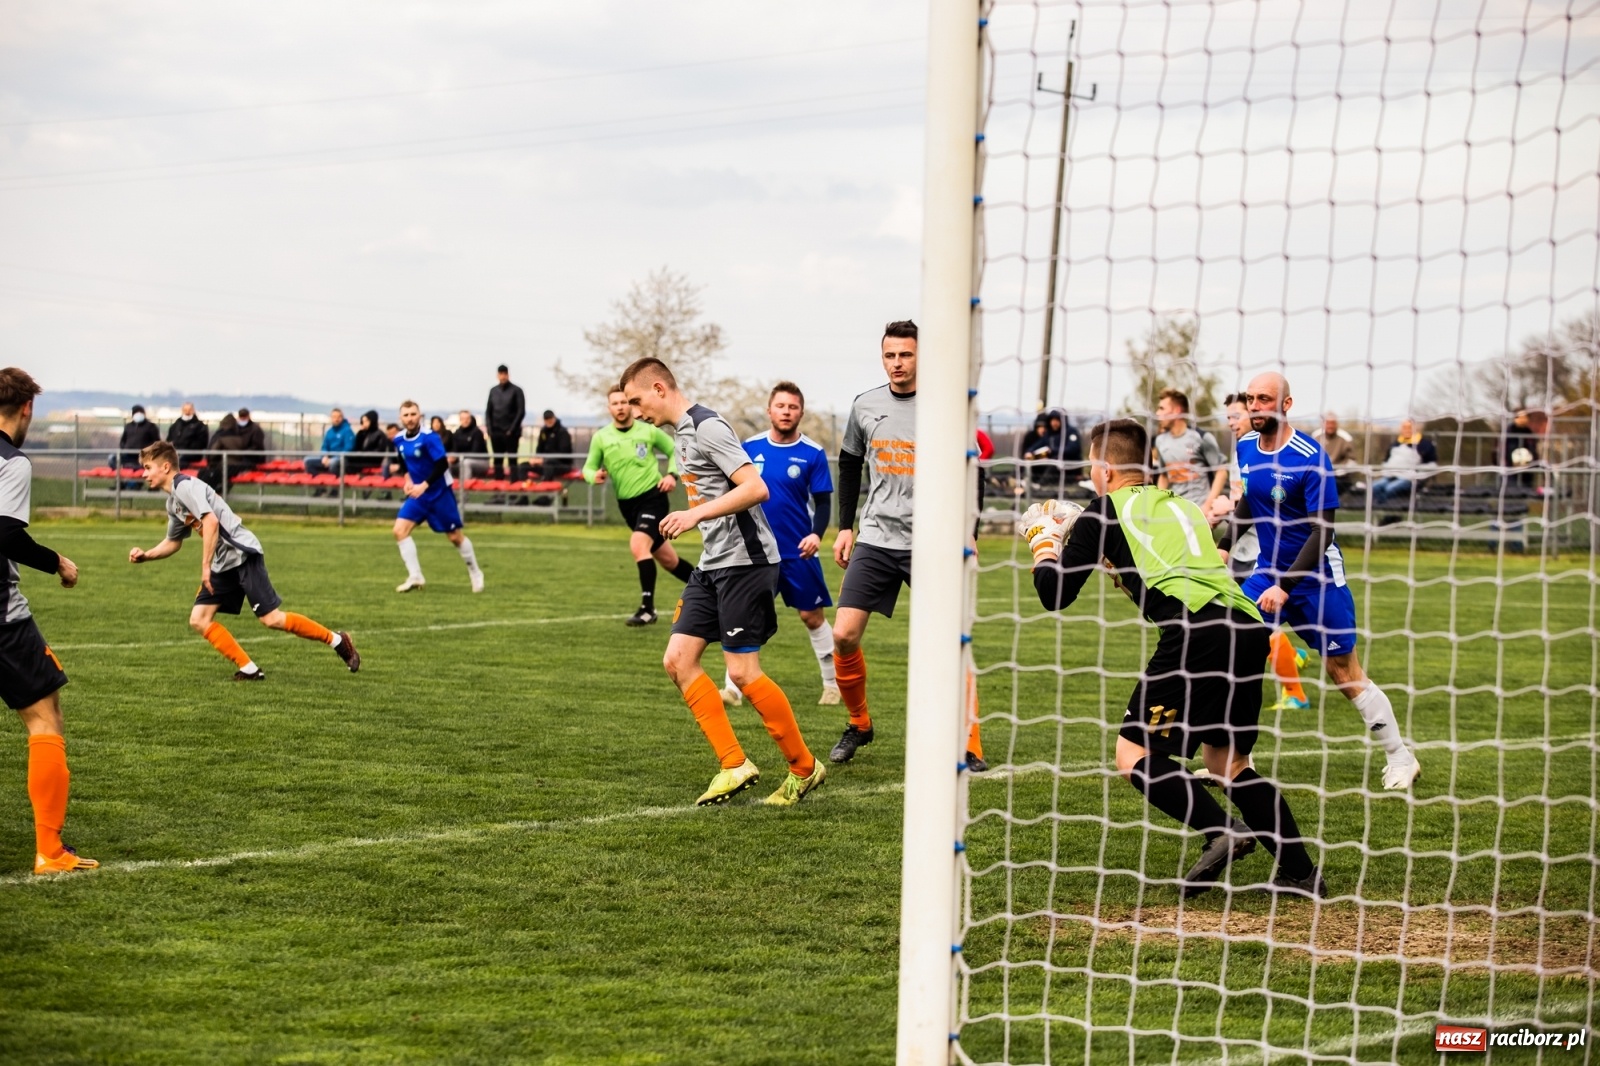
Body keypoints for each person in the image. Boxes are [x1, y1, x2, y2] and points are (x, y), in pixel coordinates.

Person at [1021, 418, 1325, 897]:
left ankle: (1222, 832)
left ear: (1103, 467)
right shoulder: (1180, 506)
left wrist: (1044, 545)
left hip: (1195, 632)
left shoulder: (1102, 513)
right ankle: (1301, 873)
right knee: (1228, 763)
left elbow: (1054, 594)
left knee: (1134, 754)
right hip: (1245, 627)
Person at [620, 357, 825, 807]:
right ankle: (733, 764)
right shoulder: (681, 436)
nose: (634, 412)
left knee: (742, 673)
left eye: (636, 401)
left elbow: (755, 488)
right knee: (677, 660)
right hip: (714, 564)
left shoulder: (708, 426)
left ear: (658, 388)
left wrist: (693, 514)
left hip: (747, 563)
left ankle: (805, 769)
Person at [1220, 372, 1421, 790]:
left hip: (1317, 577)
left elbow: (1322, 531)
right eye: (1250, 399)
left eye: (1264, 399)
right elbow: (1248, 507)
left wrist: (1287, 586)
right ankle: (1236, 764)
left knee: (1343, 670)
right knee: (1235, 655)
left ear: (1286, 405)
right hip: (1266, 574)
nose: (1255, 406)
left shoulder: (1310, 455)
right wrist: (1225, 545)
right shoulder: (1244, 448)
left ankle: (1400, 757)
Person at [828, 320, 985, 770]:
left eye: (906, 355)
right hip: (876, 537)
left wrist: (969, 528)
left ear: (922, 358)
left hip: (931, 541)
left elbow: (972, 468)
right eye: (890, 355)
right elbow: (850, 465)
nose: (897, 363)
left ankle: (969, 744)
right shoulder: (865, 405)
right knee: (843, 634)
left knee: (952, 641)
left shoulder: (947, 404)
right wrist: (844, 527)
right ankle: (859, 723)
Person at [129, 442, 359, 680]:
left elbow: (211, 523)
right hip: (223, 562)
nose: (143, 474)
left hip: (242, 554)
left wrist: (205, 567)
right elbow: (173, 541)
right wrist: (146, 555)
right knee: (199, 619)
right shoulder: (173, 502)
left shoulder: (185, 485)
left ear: (165, 467)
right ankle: (249, 669)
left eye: (147, 467)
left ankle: (338, 640)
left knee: (272, 619)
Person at [0, 368, 96, 875]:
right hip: (2, 617)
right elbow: (7, 536)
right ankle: (50, 852)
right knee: (44, 718)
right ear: (28, 409)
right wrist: (57, 560)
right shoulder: (12, 462)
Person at [718, 382, 841, 707]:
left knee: (811, 616)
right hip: (756, 551)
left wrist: (816, 534)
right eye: (781, 406)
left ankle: (832, 684)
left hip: (797, 550)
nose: (786, 412)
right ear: (770, 410)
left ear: (800, 412)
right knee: (744, 614)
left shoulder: (812, 453)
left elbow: (824, 503)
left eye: (793, 407)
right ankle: (732, 687)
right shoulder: (750, 448)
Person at [1208, 393, 1309, 714]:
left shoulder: (1268, 449)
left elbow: (1259, 501)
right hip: (1244, 545)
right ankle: (1290, 660)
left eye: (1236, 415)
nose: (1233, 422)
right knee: (1247, 620)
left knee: (1249, 620)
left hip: (1259, 551)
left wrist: (1228, 507)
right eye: (1229, 417)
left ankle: (1294, 690)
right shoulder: (1244, 448)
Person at [581, 386, 695, 625]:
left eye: (624, 402)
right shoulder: (601, 437)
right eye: (615, 403)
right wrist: (595, 476)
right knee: (668, 560)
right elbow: (588, 468)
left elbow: (675, 451)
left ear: (630, 405)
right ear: (609, 407)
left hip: (652, 498)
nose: (620, 407)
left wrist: (671, 475)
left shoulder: (648, 431)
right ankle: (712, 589)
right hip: (627, 506)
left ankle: (647, 608)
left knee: (638, 544)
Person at [391, 402, 484, 594]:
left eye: (413, 414)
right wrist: (407, 480)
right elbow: (403, 462)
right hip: (418, 496)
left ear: (420, 416)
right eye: (406, 415)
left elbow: (442, 465)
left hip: (439, 493)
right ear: (401, 418)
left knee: (455, 537)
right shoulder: (399, 439)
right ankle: (415, 576)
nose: (410, 418)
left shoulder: (429, 437)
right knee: (399, 531)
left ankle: (475, 572)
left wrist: (423, 486)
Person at [1151, 388, 1226, 510]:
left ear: (1177, 411)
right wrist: (1158, 505)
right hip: (1175, 511)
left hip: (1198, 510)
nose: (1157, 413)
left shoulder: (1201, 437)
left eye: (1162, 408)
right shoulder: (1160, 441)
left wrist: (1207, 506)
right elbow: (1164, 476)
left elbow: (1221, 471)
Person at [1370, 419, 1438, 507]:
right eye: (1404, 428)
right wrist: (1386, 471)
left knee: (1390, 488)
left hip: (1409, 479)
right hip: (1391, 476)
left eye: (1409, 428)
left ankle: (1387, 508)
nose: (1406, 430)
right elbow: (1386, 461)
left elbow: (1432, 465)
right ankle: (1378, 508)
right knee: (1373, 487)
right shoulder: (1396, 444)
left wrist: (1417, 474)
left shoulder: (1424, 445)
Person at [485, 365, 526, 478]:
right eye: (500, 374)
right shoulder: (493, 391)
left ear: (508, 375)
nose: (503, 377)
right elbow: (488, 412)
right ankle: (498, 491)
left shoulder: (517, 391)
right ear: (497, 375)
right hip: (496, 432)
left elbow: (521, 412)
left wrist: (511, 430)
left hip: (511, 433)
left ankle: (514, 489)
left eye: (505, 374)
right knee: (498, 461)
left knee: (512, 460)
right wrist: (490, 429)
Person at [1312, 412, 1358, 494]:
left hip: (1339, 477)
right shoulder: (1316, 436)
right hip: (1318, 474)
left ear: (1337, 424)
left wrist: (1340, 471)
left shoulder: (1345, 438)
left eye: (1332, 423)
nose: (1330, 426)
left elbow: (1352, 461)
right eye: (1327, 423)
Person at [305, 408, 355, 476]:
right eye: (334, 417)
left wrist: (334, 457)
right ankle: (320, 484)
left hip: (342, 459)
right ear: (331, 418)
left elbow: (348, 448)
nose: (336, 419)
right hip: (329, 458)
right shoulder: (329, 432)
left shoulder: (347, 431)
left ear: (342, 418)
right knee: (308, 461)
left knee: (333, 463)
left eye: (339, 417)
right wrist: (324, 456)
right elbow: (324, 447)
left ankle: (336, 485)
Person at [111, 403, 161, 471]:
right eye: (136, 412)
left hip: (143, 456)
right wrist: (124, 449)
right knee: (112, 458)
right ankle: (122, 472)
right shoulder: (128, 426)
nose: (139, 414)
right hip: (128, 454)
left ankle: (135, 468)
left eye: (140, 412)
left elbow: (157, 442)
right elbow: (123, 441)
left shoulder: (151, 427)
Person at [534, 410, 575, 479]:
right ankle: (523, 486)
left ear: (554, 418)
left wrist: (544, 460)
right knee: (524, 466)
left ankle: (547, 486)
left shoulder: (563, 432)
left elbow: (564, 453)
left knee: (548, 464)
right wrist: (537, 459)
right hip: (545, 463)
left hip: (562, 464)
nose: (549, 422)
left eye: (550, 419)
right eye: (547, 420)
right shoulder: (543, 432)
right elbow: (539, 448)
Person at [451, 411, 489, 480]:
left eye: (467, 418)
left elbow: (475, 452)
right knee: (446, 464)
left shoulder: (477, 432)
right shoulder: (457, 433)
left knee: (466, 463)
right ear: (460, 419)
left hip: (480, 461)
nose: (465, 421)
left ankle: (464, 487)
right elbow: (454, 449)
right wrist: (453, 458)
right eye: (463, 418)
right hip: (461, 460)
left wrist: (459, 457)